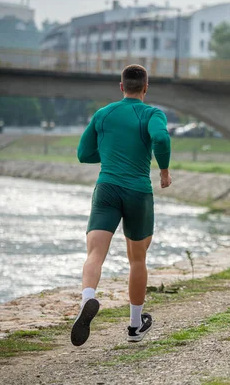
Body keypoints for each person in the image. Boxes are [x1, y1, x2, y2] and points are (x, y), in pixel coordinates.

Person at [71, 64, 172, 346]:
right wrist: (164, 170)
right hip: (138, 192)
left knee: (95, 253)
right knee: (137, 259)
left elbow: (82, 154)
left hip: (107, 188)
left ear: (121, 87)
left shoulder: (103, 114)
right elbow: (161, 138)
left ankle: (88, 298)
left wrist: (110, 155)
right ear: (145, 87)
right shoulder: (152, 113)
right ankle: (135, 326)